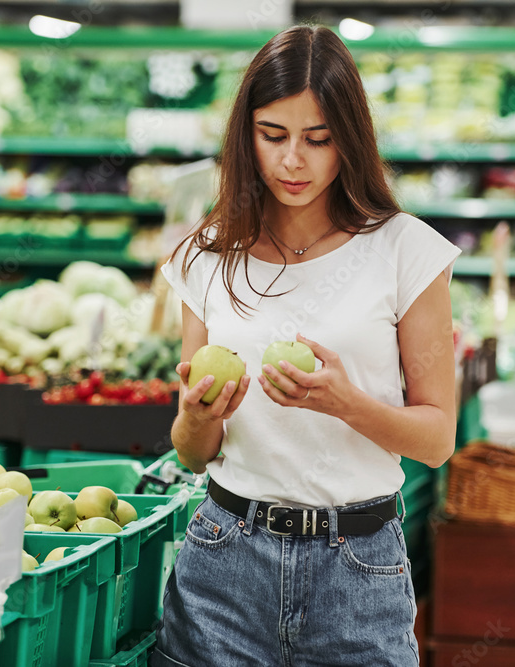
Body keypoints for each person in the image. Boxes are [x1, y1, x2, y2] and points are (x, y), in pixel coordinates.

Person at [154, 25, 461, 666]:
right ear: (246, 137)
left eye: (319, 140)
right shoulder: (205, 258)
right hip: (224, 559)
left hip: (359, 568)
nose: (294, 161)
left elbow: (436, 441)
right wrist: (197, 415)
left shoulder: (407, 251)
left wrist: (348, 403)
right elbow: (191, 455)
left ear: (350, 141)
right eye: (273, 136)